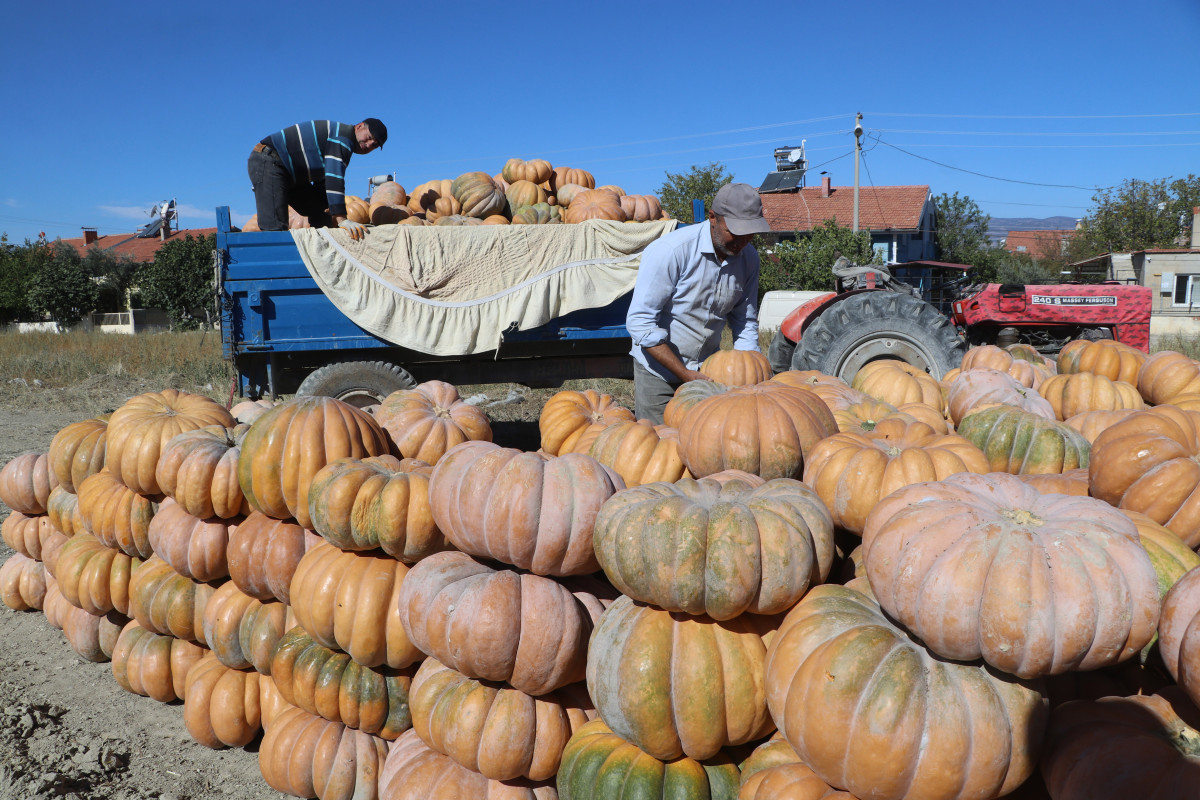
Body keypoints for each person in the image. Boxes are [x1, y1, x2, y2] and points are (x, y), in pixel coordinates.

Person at [626, 182, 771, 424]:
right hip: (659, 372)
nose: (743, 240)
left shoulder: (749, 259)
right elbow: (641, 322)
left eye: (750, 233)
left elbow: (744, 320)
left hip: (707, 374)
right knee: (661, 442)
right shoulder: (672, 251)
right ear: (713, 218)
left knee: (702, 446)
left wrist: (751, 375)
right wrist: (684, 374)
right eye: (736, 231)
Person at [247, 118, 387, 240]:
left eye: (374, 145)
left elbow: (325, 181)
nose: (369, 144)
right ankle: (276, 265)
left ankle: (324, 242)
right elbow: (334, 178)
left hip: (291, 174)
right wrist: (342, 219)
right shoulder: (343, 137)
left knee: (320, 204)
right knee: (274, 227)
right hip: (269, 161)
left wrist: (326, 211)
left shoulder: (340, 140)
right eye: (368, 137)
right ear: (359, 126)